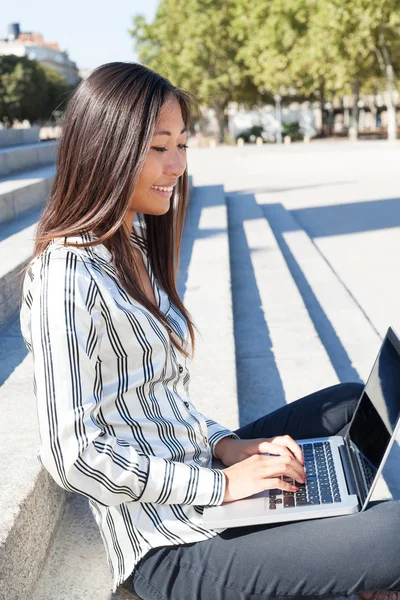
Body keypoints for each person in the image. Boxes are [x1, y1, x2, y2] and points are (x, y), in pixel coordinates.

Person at [19, 62, 400, 600]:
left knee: (346, 403)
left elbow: (159, 399)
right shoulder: (67, 275)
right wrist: (221, 485)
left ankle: (338, 520)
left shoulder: (128, 245)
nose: (176, 165)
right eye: (158, 148)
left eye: (183, 145)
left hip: (201, 479)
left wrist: (227, 445)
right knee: (395, 534)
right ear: (105, 151)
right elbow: (72, 453)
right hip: (173, 546)